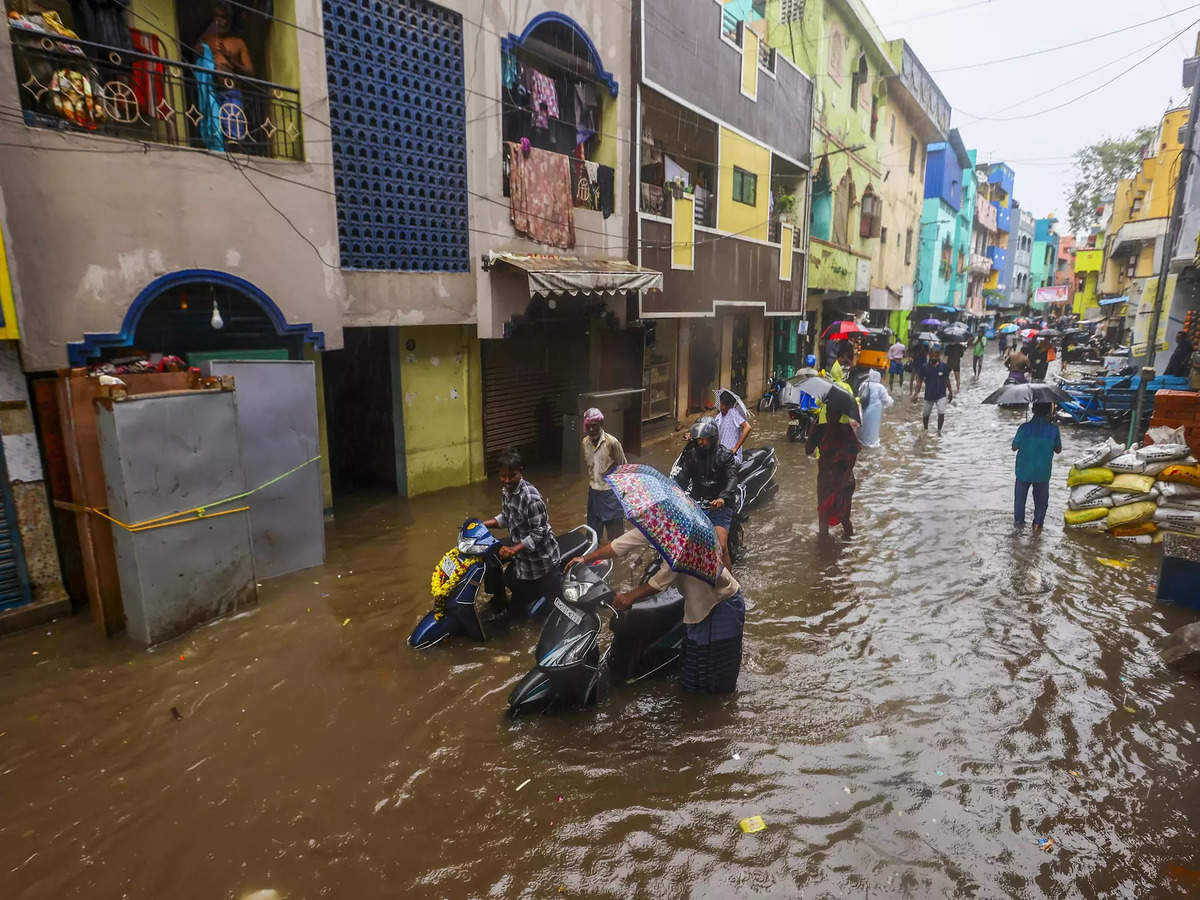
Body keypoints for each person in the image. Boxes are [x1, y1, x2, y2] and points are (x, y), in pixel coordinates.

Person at [566, 529, 746, 694]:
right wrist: (587, 558)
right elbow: (622, 543)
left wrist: (629, 597)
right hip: (698, 605)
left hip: (720, 604)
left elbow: (663, 578)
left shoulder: (681, 538)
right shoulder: (659, 524)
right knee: (694, 669)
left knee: (713, 674)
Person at [480, 449, 561, 616]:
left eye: (512, 476)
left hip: (541, 562)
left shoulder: (531, 498)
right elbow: (506, 516)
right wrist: (482, 525)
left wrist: (513, 550)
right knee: (489, 552)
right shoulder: (507, 492)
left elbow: (539, 532)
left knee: (551, 611)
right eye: (503, 476)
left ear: (520, 471)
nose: (507, 480)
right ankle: (499, 597)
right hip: (521, 555)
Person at [674, 418, 738, 569]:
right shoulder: (691, 455)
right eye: (698, 439)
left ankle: (731, 586)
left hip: (720, 506)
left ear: (712, 438)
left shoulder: (725, 456)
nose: (700, 443)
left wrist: (723, 497)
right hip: (696, 505)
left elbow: (732, 477)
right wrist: (675, 492)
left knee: (721, 547)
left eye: (704, 440)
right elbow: (682, 478)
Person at [195, 2, 253, 142]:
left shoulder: (238, 43)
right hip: (211, 93)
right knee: (213, 131)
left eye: (224, 17)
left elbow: (250, 73)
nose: (220, 21)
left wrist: (230, 59)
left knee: (235, 135)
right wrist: (202, 56)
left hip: (231, 94)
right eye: (217, 17)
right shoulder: (206, 40)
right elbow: (193, 61)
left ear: (230, 20)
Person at [806, 401, 859, 538]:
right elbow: (808, 450)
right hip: (825, 480)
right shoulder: (819, 429)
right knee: (823, 519)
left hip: (843, 479)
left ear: (840, 414)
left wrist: (847, 476)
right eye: (829, 411)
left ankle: (849, 547)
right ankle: (823, 552)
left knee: (844, 517)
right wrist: (812, 430)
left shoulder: (846, 430)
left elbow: (853, 455)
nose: (831, 415)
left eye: (835, 412)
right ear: (826, 412)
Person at [1012, 402, 1062, 533]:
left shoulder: (1024, 428)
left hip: (1023, 471)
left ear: (1033, 410)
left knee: (1019, 501)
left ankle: (1018, 528)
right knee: (1041, 502)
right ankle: (1037, 526)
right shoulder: (1053, 429)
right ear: (1048, 412)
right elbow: (1058, 449)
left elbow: (1014, 447)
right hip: (1042, 473)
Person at [581, 408, 626, 541]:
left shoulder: (612, 443)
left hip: (610, 494)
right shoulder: (585, 443)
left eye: (594, 426)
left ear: (601, 424)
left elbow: (623, 467)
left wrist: (623, 494)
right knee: (592, 536)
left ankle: (616, 562)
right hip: (594, 494)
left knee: (616, 538)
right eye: (588, 426)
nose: (591, 430)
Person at [912, 342, 953, 434]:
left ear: (939, 355)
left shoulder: (944, 367)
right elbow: (919, 381)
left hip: (941, 394)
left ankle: (939, 431)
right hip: (929, 395)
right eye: (932, 354)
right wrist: (915, 394)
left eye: (936, 354)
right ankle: (926, 430)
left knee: (941, 412)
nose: (934, 356)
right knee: (925, 414)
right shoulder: (924, 367)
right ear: (929, 355)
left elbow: (947, 380)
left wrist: (950, 392)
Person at [857, 370, 893, 448]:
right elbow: (887, 401)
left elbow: (859, 396)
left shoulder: (864, 384)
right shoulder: (880, 387)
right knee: (872, 432)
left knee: (863, 430)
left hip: (863, 411)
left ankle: (861, 443)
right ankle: (871, 446)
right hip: (874, 414)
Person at [715, 390, 751, 463]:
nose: (723, 407)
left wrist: (735, 448)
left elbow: (747, 427)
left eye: (725, 405)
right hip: (722, 454)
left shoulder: (733, 412)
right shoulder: (718, 417)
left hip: (733, 456)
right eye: (722, 404)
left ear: (730, 405)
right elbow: (711, 429)